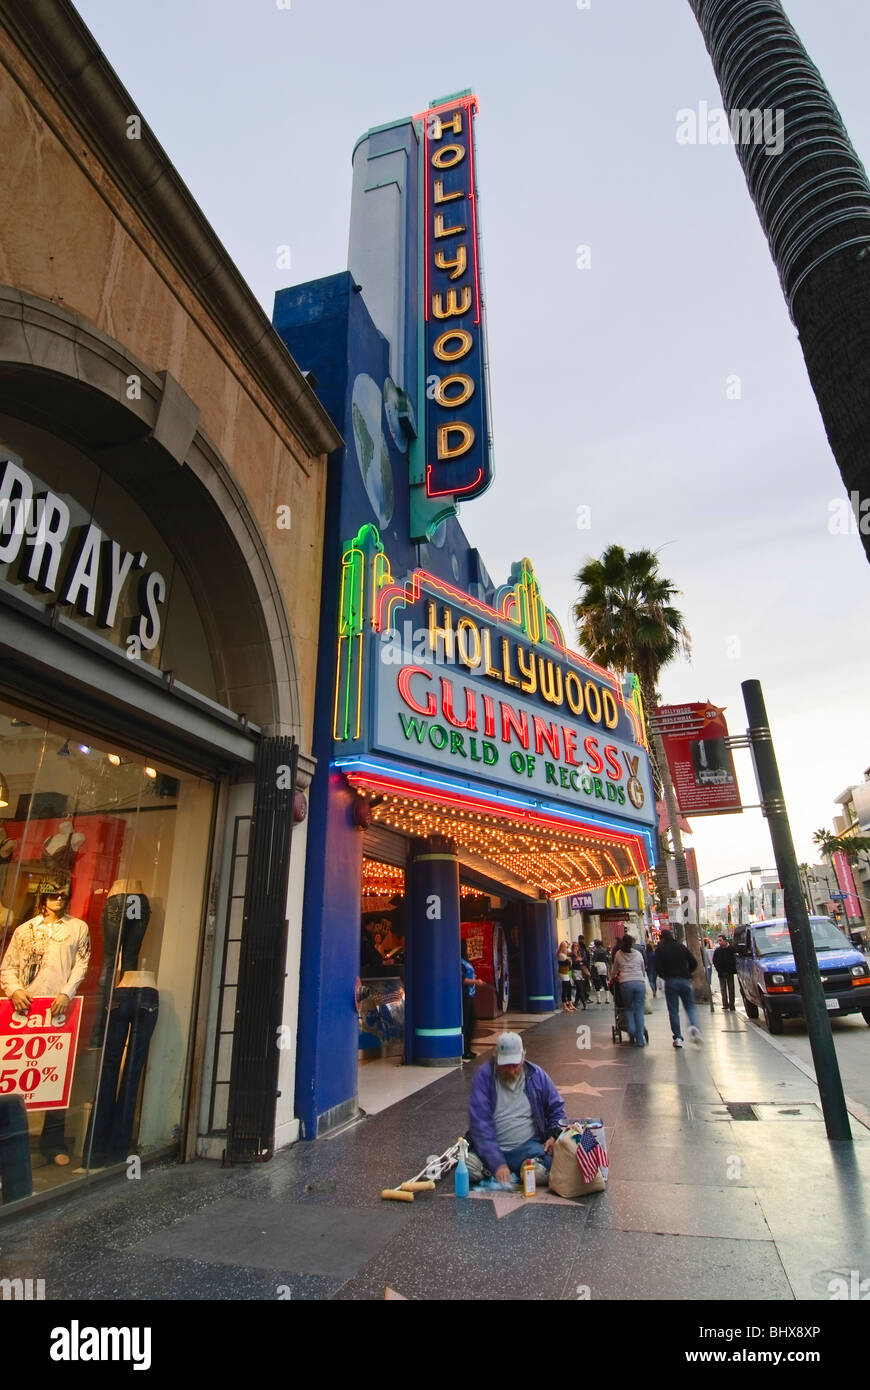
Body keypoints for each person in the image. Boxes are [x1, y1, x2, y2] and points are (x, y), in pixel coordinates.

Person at [0, 882, 90, 1164]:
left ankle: (53, 1144)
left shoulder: (77, 928)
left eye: (64, 894)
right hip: (25, 1008)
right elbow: (8, 966)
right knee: (16, 1075)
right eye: (54, 893)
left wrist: (66, 992)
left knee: (55, 1075)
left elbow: (81, 964)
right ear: (43, 896)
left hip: (57, 1009)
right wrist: (14, 990)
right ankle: (11, 1142)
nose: (59, 899)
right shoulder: (25, 930)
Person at [466, 1032, 568, 1187]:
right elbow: (480, 1125)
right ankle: (501, 1172)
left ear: (523, 1057)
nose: (511, 1070)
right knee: (468, 1167)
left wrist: (554, 1135)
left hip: (526, 1147)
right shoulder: (483, 1077)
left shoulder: (537, 1075)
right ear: (496, 1058)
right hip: (491, 1148)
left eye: (515, 1065)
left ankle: (513, 1172)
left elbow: (556, 1109)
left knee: (538, 1172)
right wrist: (497, 1162)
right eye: (505, 1065)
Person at [654, 928, 701, 1048]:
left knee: (673, 1010)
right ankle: (693, 1026)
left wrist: (665, 976)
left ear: (662, 938)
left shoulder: (661, 949)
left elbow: (657, 967)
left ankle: (678, 1038)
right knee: (690, 1006)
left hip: (671, 981)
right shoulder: (681, 947)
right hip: (685, 980)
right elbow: (694, 963)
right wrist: (687, 973)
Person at [609, 933, 648, 1047]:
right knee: (639, 1011)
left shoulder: (618, 954)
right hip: (639, 982)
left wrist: (612, 979)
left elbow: (614, 970)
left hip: (625, 983)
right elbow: (642, 969)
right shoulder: (638, 954)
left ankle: (631, 1029)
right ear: (632, 943)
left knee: (629, 1009)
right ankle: (640, 1040)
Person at [460, 946, 483, 1060]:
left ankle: (468, 1048)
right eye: (467, 947)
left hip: (470, 995)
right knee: (466, 1023)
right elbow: (462, 980)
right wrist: (476, 981)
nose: (469, 949)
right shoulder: (460, 962)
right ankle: (464, 1050)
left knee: (471, 1022)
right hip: (464, 997)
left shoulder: (466, 962)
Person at [712, 934, 737, 1011]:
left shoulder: (731, 949)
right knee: (723, 989)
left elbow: (735, 959)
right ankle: (725, 1004)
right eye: (718, 940)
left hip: (730, 972)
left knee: (731, 988)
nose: (719, 942)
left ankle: (732, 1005)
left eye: (720, 940)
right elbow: (714, 961)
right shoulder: (717, 951)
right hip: (721, 973)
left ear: (725, 940)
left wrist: (732, 969)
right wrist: (719, 970)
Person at [557, 942, 575, 1012]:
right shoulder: (561, 955)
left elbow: (570, 962)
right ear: (562, 947)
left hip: (566, 973)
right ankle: (564, 1005)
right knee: (565, 989)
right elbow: (568, 962)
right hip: (563, 973)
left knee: (569, 988)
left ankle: (570, 1004)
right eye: (565, 947)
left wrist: (569, 959)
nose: (566, 948)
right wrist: (569, 959)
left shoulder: (564, 954)